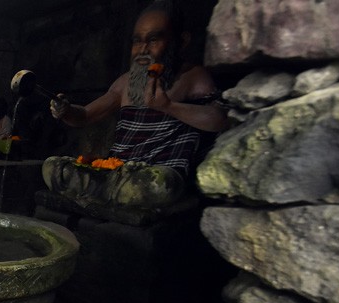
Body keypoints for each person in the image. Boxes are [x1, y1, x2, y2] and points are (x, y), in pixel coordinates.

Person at [45, 0, 228, 208]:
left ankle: (104, 192)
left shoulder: (192, 76)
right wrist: (66, 111)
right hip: (116, 172)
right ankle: (107, 189)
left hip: (155, 176)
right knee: (53, 167)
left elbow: (220, 120)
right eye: (137, 41)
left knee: (162, 185)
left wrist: (168, 106)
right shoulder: (127, 82)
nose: (143, 50)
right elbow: (86, 115)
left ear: (181, 41)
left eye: (153, 40)